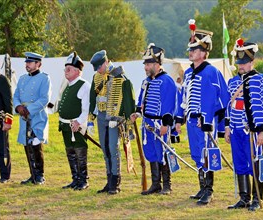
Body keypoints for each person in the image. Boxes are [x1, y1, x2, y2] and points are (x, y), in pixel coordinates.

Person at [225, 38, 263, 211]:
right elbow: (228, 107)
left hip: (254, 132)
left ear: (252, 61)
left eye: (244, 62)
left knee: (256, 163)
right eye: (239, 62)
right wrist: (228, 127)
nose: (241, 66)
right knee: (239, 163)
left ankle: (256, 200)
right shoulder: (232, 83)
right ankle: (244, 198)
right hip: (236, 131)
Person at [175, 20, 229, 205]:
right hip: (191, 120)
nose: (191, 52)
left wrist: (206, 118)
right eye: (190, 49)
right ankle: (201, 186)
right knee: (196, 153)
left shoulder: (212, 72)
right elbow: (184, 97)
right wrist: (179, 118)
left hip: (205, 122)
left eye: (195, 50)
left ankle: (209, 190)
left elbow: (221, 98)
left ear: (204, 53)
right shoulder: (189, 73)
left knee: (207, 153)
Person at [131, 43, 177, 195]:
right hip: (147, 124)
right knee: (150, 152)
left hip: (160, 124)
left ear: (157, 64)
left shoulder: (167, 81)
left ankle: (167, 185)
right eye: (145, 63)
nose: (146, 67)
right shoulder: (146, 81)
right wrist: (137, 113)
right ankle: (155, 184)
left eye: (149, 63)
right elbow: (141, 100)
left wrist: (165, 124)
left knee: (162, 152)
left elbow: (169, 104)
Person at [89, 50, 135, 194]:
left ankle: (115, 181)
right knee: (105, 149)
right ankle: (109, 181)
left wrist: (123, 121)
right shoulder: (96, 77)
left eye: (99, 67)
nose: (98, 70)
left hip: (115, 118)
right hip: (102, 116)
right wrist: (91, 118)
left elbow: (127, 101)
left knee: (113, 149)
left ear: (106, 62)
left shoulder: (120, 77)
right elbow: (93, 97)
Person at [13, 52, 51, 185]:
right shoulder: (22, 78)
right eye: (26, 62)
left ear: (38, 64)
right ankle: (32, 174)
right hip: (23, 116)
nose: (27, 64)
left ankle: (40, 175)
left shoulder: (44, 78)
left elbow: (45, 99)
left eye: (30, 62)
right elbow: (16, 95)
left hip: (37, 115)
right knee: (27, 144)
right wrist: (18, 107)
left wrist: (29, 110)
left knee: (35, 143)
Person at [58, 52, 91, 190]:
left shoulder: (84, 85)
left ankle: (83, 180)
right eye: (65, 68)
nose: (66, 71)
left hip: (76, 125)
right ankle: (75, 179)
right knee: (70, 152)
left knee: (79, 152)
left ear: (77, 71)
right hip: (65, 125)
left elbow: (86, 108)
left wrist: (78, 122)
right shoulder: (67, 84)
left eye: (69, 69)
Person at [0, 61, 13, 183]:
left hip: (0, 120)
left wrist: (8, 121)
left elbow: (8, 103)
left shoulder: (2, 80)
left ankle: (5, 175)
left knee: (2, 148)